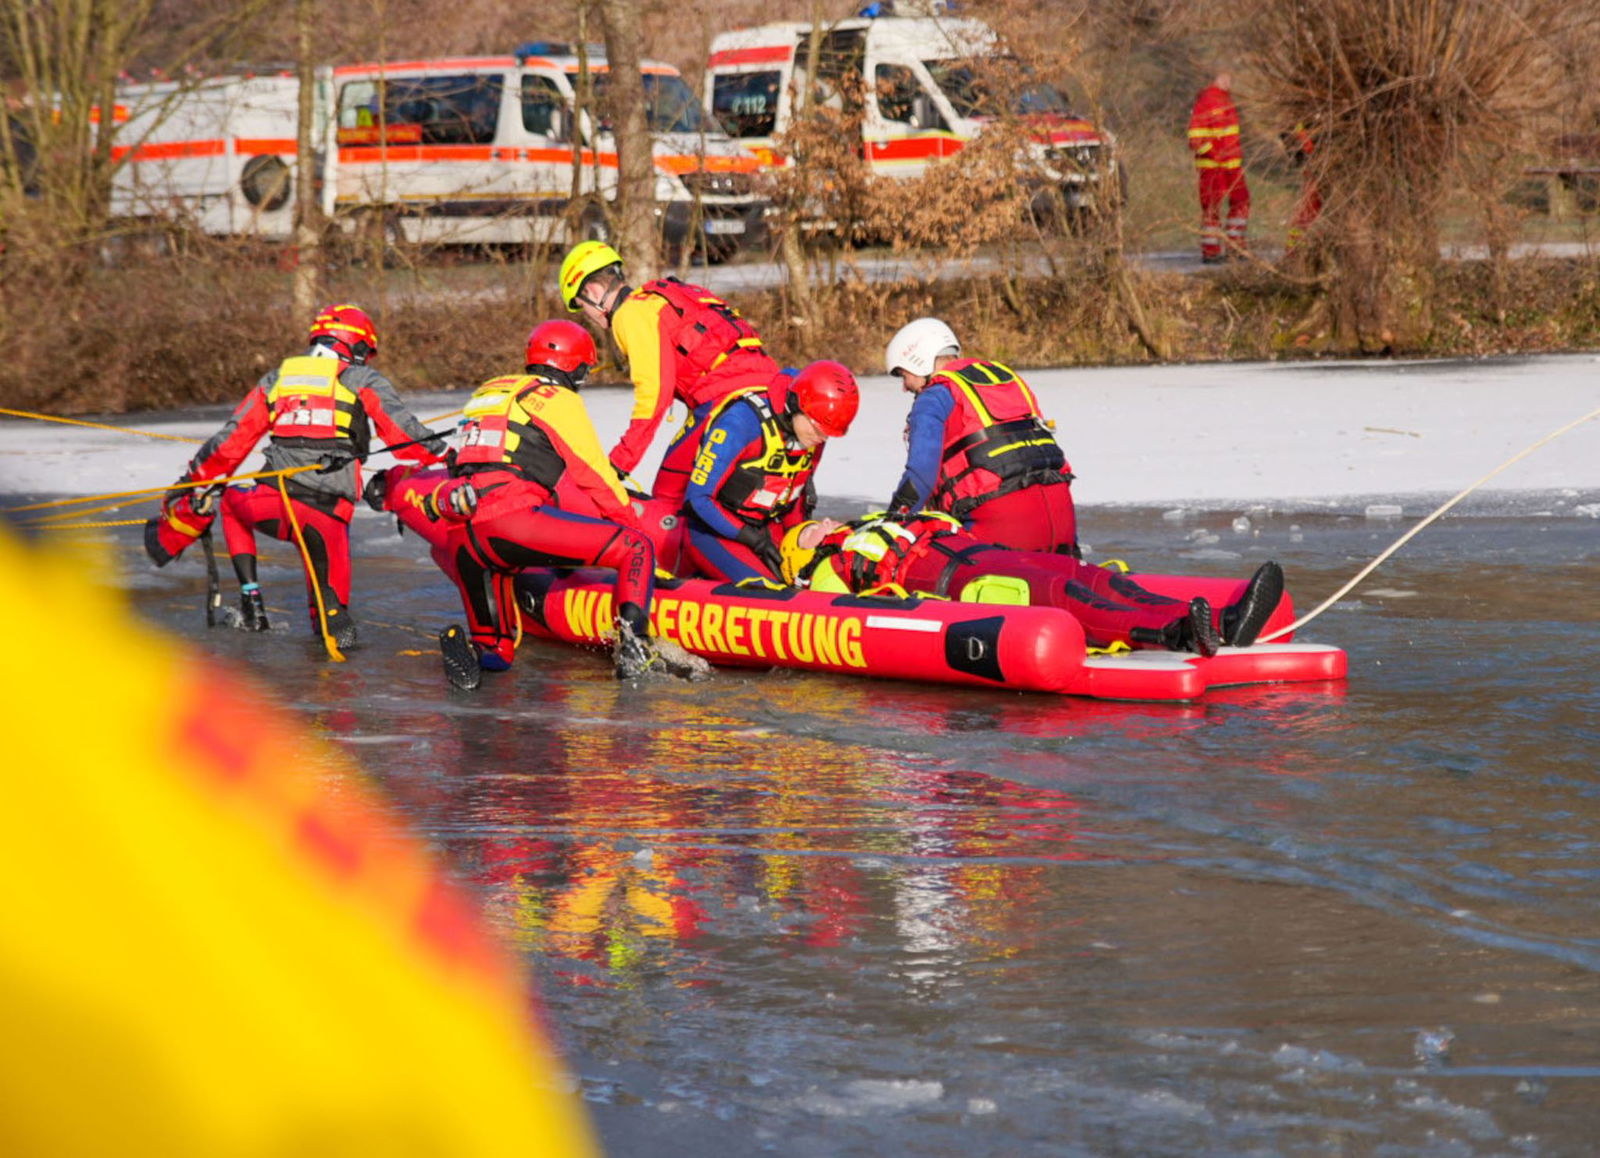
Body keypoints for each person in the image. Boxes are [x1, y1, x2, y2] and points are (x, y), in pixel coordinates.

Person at [383, 319, 701, 688]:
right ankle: (634, 650)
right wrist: (631, 526)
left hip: (466, 536)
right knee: (636, 548)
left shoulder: (490, 393)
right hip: (511, 523)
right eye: (583, 371)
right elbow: (593, 476)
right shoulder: (554, 399)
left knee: (499, 653)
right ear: (573, 366)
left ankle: (476, 650)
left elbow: (465, 459)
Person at [159, 304, 445, 649]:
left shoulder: (280, 378)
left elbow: (231, 442)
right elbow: (403, 435)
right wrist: (447, 455)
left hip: (271, 505)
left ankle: (252, 602)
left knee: (231, 501)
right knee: (331, 624)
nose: (367, 359)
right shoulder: (361, 379)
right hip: (325, 516)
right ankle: (331, 633)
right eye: (366, 351)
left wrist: (192, 480)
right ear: (355, 346)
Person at [779, 511, 1289, 655]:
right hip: (963, 580)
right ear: (804, 554)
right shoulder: (825, 572)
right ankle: (1178, 633)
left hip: (989, 553)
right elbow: (844, 616)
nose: (820, 525)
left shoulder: (869, 521)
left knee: (1097, 578)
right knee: (1072, 599)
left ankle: (1222, 621)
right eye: (808, 532)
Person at [558, 240, 781, 510]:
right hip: (773, 393)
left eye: (583, 306)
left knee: (669, 493)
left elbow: (653, 396)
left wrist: (618, 465)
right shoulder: (671, 294)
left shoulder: (631, 313)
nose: (589, 316)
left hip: (726, 402)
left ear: (593, 291)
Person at [883, 317, 1077, 554]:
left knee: (918, 557)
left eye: (904, 375)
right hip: (1063, 526)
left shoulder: (934, 397)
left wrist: (892, 526)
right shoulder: (1007, 380)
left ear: (919, 361)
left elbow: (921, 475)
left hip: (1002, 532)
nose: (905, 386)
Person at [680, 360, 859, 584]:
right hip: (713, 531)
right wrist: (750, 539)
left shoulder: (813, 434)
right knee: (768, 592)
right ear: (796, 405)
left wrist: (803, 540)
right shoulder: (741, 423)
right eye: (817, 429)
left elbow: (796, 494)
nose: (821, 439)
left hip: (766, 529)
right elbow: (697, 500)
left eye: (828, 434)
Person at [1187, 72, 1250, 264]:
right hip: (1213, 167)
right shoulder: (1207, 101)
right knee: (1212, 207)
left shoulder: (1226, 101)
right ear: (1219, 78)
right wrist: (1215, 155)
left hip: (1232, 166)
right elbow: (1195, 137)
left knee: (1242, 202)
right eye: (1228, 78)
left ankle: (1236, 246)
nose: (1231, 82)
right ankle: (1211, 251)